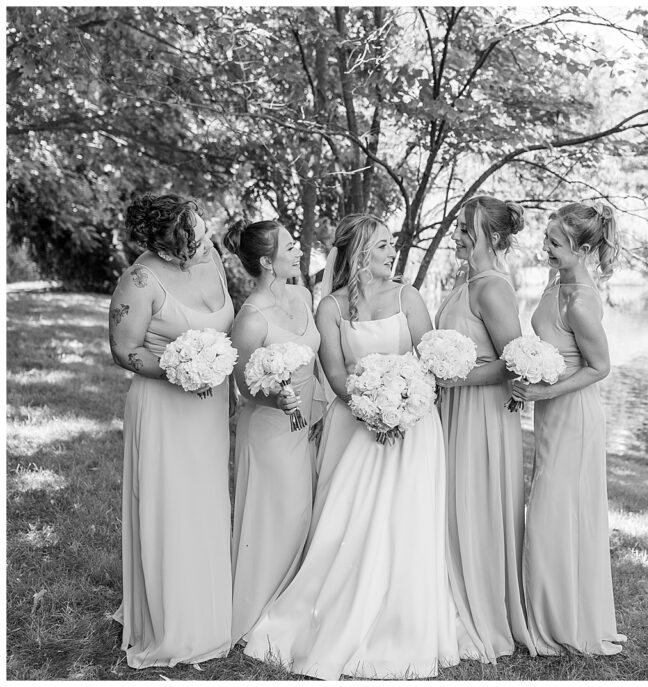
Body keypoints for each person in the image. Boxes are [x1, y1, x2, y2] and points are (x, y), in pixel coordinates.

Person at [243, 214, 461, 679]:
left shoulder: (409, 297)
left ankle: (404, 622)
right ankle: (332, 616)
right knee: (351, 518)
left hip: (415, 425)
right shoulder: (332, 308)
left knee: (407, 518)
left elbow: (428, 360)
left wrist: (402, 407)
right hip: (357, 424)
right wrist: (373, 411)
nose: (391, 251)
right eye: (382, 245)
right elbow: (337, 373)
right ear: (360, 253)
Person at [108, 192, 233, 668]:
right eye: (192, 236)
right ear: (165, 245)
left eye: (201, 228)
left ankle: (210, 608)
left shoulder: (213, 258)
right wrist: (181, 370)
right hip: (164, 404)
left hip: (210, 407)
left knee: (206, 503)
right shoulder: (140, 280)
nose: (203, 239)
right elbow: (124, 350)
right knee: (171, 504)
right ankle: (170, 620)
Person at [511, 201, 627, 656]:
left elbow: (600, 367)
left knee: (556, 515)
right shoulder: (557, 282)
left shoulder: (581, 301)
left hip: (573, 416)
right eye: (546, 239)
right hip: (551, 413)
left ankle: (562, 623)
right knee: (549, 511)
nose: (545, 248)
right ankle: (547, 611)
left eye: (555, 243)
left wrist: (543, 391)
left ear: (580, 249)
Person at [435, 196, 535, 662]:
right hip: (452, 407)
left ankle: (482, 608)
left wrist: (455, 377)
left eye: (465, 228)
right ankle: (449, 594)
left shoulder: (493, 287)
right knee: (452, 502)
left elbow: (512, 363)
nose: (456, 234)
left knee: (474, 502)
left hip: (480, 414)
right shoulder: (464, 278)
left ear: (492, 237)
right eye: (457, 226)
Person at [223, 219, 324, 645]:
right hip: (269, 429)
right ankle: (256, 613)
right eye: (290, 245)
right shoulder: (250, 317)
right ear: (267, 261)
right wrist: (275, 400)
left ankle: (292, 607)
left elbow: (315, 362)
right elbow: (244, 385)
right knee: (278, 515)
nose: (299, 249)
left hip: (308, 424)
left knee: (304, 513)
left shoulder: (302, 294)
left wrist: (320, 409)